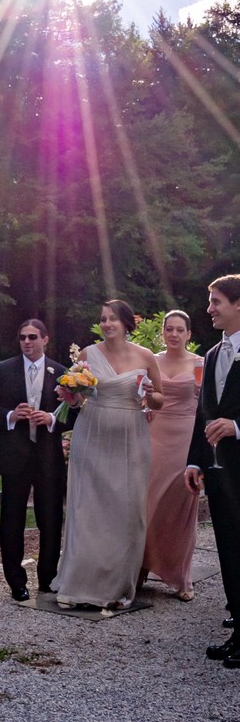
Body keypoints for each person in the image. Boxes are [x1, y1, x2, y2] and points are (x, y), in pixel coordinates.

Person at [53, 299, 163, 612]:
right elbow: (79, 402)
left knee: (125, 510)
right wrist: (72, 395)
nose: (106, 324)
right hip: (92, 436)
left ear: (127, 323)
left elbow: (160, 401)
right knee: (88, 509)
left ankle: (115, 585)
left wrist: (146, 393)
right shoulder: (88, 354)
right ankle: (79, 583)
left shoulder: (145, 356)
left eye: (113, 319)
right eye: (103, 319)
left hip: (130, 439)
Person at [0, 319, 71, 602]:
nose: (27, 342)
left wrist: (52, 418)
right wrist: (10, 416)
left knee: (51, 519)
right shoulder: (3, 370)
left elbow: (75, 414)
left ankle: (47, 579)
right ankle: (16, 582)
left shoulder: (63, 373)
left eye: (32, 337)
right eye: (22, 338)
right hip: (14, 456)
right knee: (11, 520)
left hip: (48, 457)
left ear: (45, 339)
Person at [185, 274, 240, 669]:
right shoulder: (212, 354)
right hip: (220, 475)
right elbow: (202, 415)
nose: (209, 309)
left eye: (217, 301)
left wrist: (238, 427)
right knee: (230, 551)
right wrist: (193, 460)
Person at [140, 311, 201, 601]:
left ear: (189, 334)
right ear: (163, 332)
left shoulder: (200, 363)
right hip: (154, 434)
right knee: (147, 502)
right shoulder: (150, 359)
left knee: (181, 505)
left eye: (180, 329)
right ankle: (140, 566)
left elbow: (208, 401)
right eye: (169, 329)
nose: (174, 334)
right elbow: (140, 395)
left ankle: (181, 577)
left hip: (186, 437)